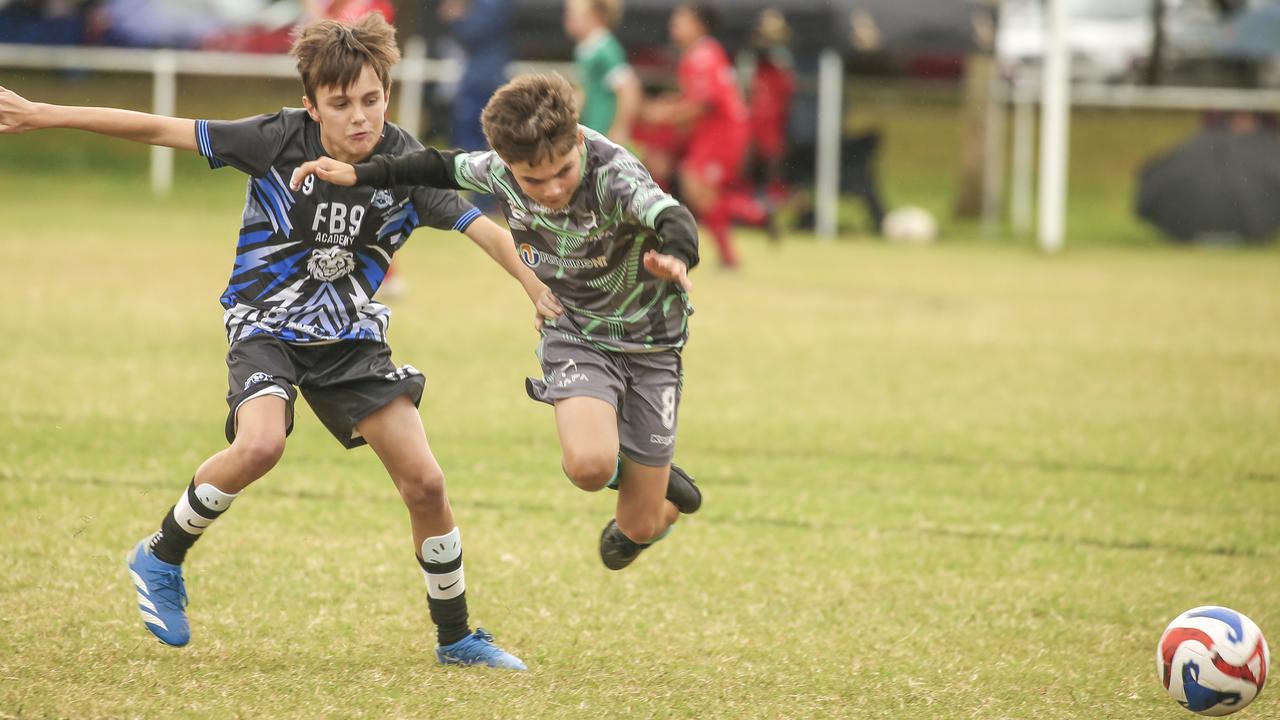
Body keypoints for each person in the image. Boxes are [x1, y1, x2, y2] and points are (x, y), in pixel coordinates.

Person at [0, 14, 553, 670]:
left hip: (349, 341)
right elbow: (156, 127)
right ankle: (161, 555)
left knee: (427, 484)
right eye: (340, 104)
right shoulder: (275, 139)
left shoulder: (405, 163)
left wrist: (533, 285)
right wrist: (43, 113)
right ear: (310, 105)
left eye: (371, 100)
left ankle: (456, 637)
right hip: (265, 324)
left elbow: (483, 228)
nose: (359, 117)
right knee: (260, 443)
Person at [291, 73, 703, 571]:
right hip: (576, 331)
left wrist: (677, 255)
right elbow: (434, 166)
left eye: (562, 172)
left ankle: (661, 498)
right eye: (533, 179)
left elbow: (672, 216)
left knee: (638, 526)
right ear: (508, 164)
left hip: (653, 345)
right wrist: (360, 175)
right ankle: (629, 465)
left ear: (576, 140)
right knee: (589, 467)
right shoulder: (497, 170)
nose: (550, 189)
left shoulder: (614, 174)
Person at [643, 2, 750, 268]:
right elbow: (696, 99)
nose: (674, 24)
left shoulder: (701, 56)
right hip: (716, 129)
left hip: (722, 130)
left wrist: (664, 114)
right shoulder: (702, 52)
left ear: (700, 24)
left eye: (681, 19)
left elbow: (701, 104)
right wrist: (672, 106)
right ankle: (756, 218)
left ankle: (757, 216)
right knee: (700, 188)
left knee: (696, 184)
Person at [564, 0, 642, 147]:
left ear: (595, 16)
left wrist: (620, 128)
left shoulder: (607, 49)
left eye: (574, 15)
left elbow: (629, 90)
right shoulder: (585, 48)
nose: (568, 20)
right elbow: (583, 90)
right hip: (593, 128)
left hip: (606, 129)